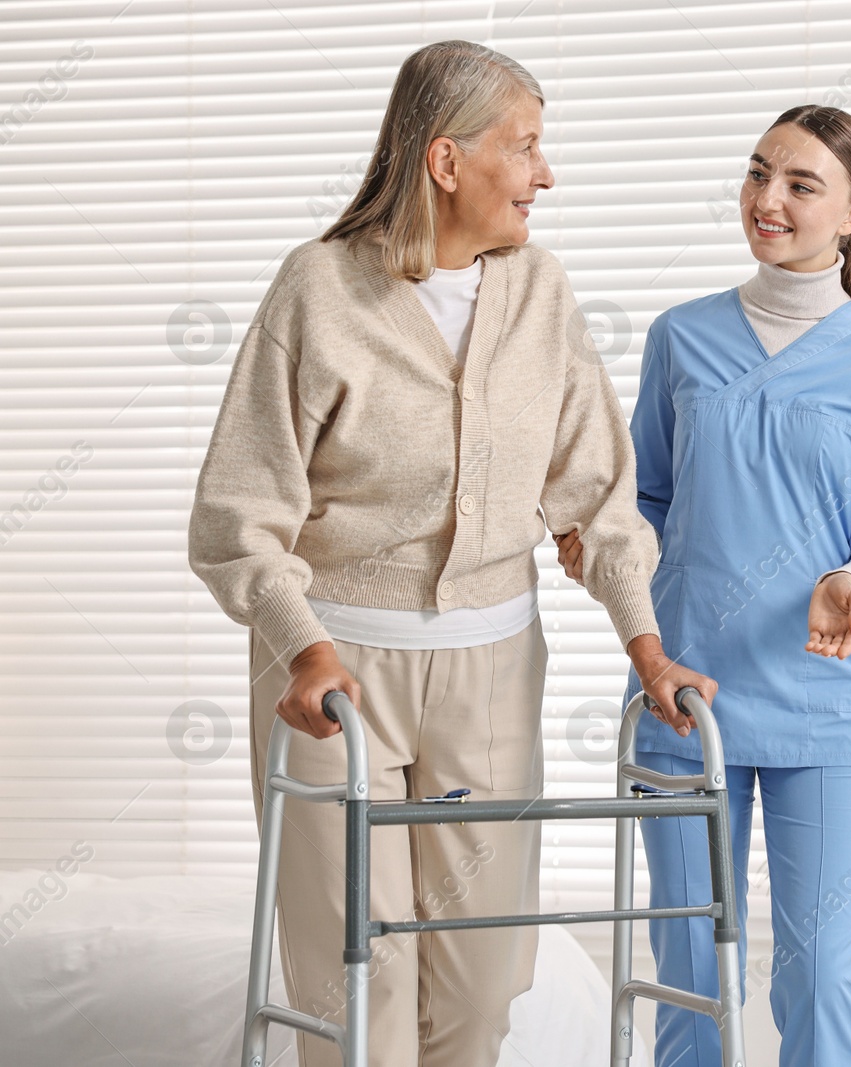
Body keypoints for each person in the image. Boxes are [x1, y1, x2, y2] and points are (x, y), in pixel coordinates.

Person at [187, 40, 711, 1067]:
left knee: (477, 987)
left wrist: (646, 647)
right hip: (335, 674)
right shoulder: (318, 290)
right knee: (356, 983)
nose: (544, 174)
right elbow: (238, 512)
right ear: (444, 162)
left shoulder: (540, 292)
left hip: (492, 670)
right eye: (523, 149)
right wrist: (300, 645)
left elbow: (596, 493)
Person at [557, 104, 851, 1067]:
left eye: (802, 185)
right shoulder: (683, 337)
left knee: (820, 968)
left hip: (824, 701)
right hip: (683, 693)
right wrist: (591, 534)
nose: (768, 200)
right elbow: (642, 500)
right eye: (759, 173)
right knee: (689, 966)